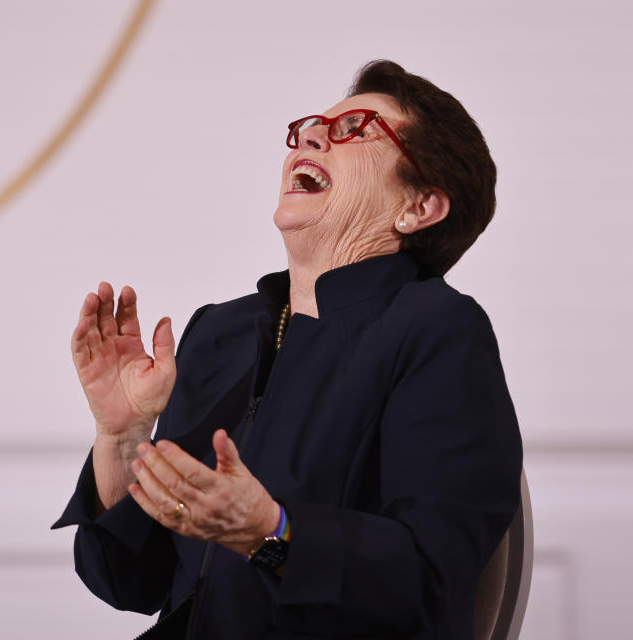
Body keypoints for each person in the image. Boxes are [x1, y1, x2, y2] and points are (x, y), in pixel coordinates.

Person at [52, 59, 522, 639]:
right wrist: (121, 437)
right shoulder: (219, 333)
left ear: (417, 207)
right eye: (309, 129)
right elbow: (130, 583)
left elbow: (429, 582)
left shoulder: (441, 330)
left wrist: (269, 534)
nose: (316, 135)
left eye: (355, 128)